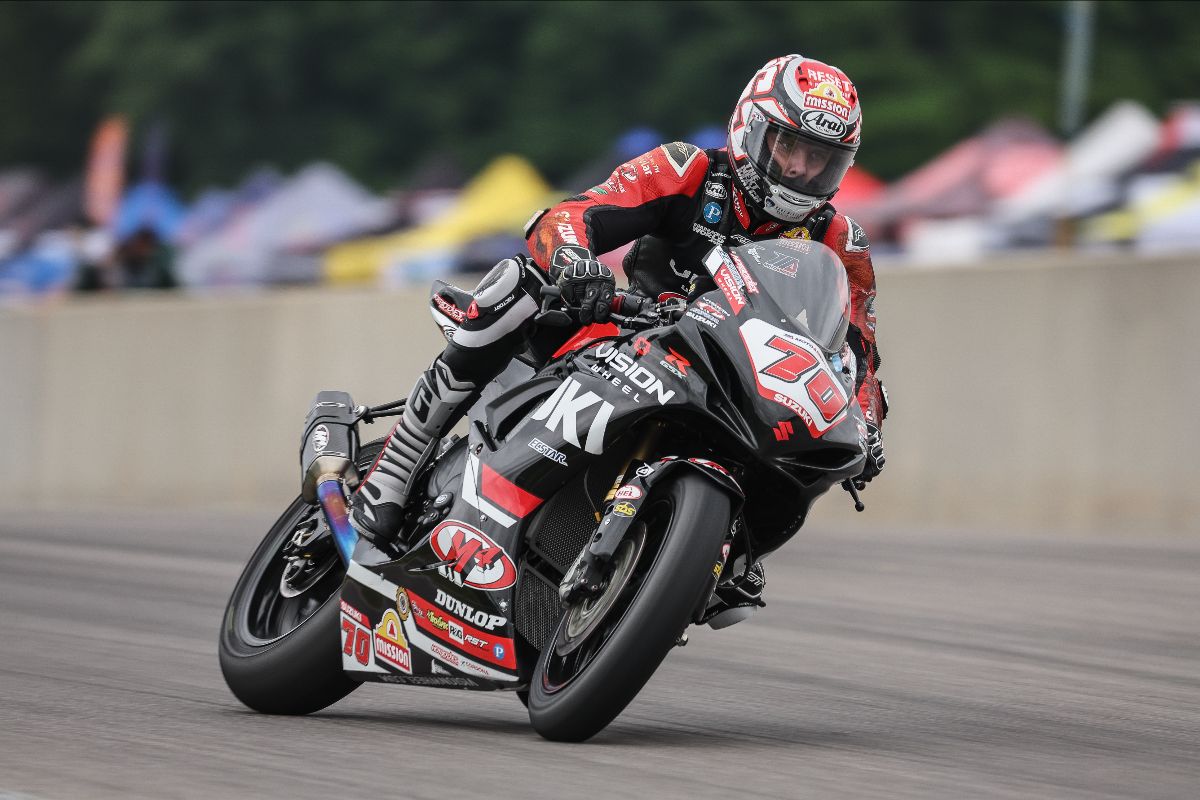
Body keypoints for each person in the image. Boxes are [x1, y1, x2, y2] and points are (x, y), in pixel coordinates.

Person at [351, 54, 888, 611]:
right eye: (789, 147)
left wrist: (866, 424)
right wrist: (575, 260)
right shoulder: (690, 170)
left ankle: (722, 556)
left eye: (821, 159)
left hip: (731, 387)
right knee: (522, 281)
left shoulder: (840, 243)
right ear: (751, 129)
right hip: (622, 334)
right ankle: (401, 458)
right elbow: (571, 214)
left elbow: (859, 355)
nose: (801, 170)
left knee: (817, 451)